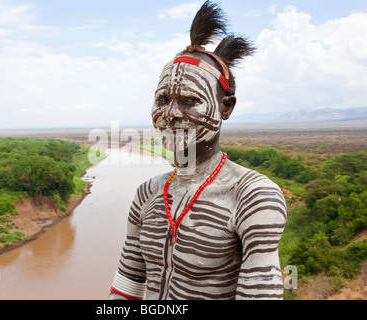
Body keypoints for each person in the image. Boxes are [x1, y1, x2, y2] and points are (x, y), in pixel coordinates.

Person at [109, 1, 287, 300]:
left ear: (225, 107)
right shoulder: (146, 194)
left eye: (190, 101)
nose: (170, 114)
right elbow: (127, 284)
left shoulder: (254, 197)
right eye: (163, 99)